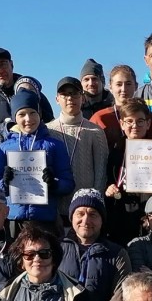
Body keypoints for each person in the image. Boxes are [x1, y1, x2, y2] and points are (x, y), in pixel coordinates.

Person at [0, 87, 76, 233]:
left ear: (40, 114)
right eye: (21, 114)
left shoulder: (54, 146)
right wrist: (4, 183)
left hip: (45, 219)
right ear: (14, 118)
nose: (28, 119)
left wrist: (53, 183)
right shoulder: (4, 148)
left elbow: (68, 184)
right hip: (14, 219)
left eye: (33, 113)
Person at [102, 99, 152, 247]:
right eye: (129, 121)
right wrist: (108, 189)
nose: (135, 126)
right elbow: (107, 181)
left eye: (140, 121)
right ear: (122, 124)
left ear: (148, 124)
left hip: (151, 219)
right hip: (121, 219)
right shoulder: (114, 152)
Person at [0, 46, 54, 150]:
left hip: (37, 156)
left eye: (3, 64)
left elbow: (51, 125)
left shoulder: (34, 94)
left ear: (11, 64)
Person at [47, 77, 109, 221]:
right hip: (55, 210)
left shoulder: (95, 131)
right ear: (57, 99)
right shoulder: (47, 130)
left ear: (83, 98)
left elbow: (101, 173)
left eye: (74, 94)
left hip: (85, 211)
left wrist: (94, 205)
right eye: (64, 94)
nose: (70, 98)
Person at [60, 188, 130, 301]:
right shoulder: (56, 249)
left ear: (102, 219)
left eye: (93, 214)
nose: (86, 220)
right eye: (80, 214)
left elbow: (121, 293)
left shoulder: (117, 254)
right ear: (72, 217)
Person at [91, 64, 152, 151]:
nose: (124, 89)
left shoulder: (149, 117)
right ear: (110, 87)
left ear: (136, 86)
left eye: (128, 84)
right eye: (119, 84)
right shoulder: (100, 118)